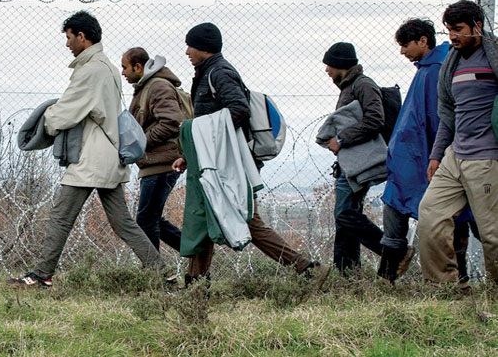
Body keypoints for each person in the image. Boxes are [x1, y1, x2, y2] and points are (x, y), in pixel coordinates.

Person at [11, 11, 166, 288]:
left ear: (82, 37)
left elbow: (67, 111)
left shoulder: (91, 69)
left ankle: (41, 275)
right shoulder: (103, 65)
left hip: (92, 157)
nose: (67, 44)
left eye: (69, 38)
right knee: (123, 224)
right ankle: (162, 273)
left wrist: (40, 126)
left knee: (60, 216)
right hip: (108, 155)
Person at [172, 22, 324, 285]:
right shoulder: (209, 72)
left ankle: (306, 269)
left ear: (203, 48)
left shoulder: (219, 73)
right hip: (216, 160)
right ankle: (195, 282)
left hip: (229, 162)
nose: (186, 51)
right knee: (207, 214)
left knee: (246, 219)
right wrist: (192, 154)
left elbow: (238, 109)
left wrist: (205, 135)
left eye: (190, 45)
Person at [418, 0, 498, 288]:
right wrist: (436, 155)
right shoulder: (452, 63)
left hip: (487, 157)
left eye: (458, 29)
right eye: (449, 30)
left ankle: (495, 293)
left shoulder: (493, 56)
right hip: (455, 154)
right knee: (429, 217)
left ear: (477, 26)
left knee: (492, 233)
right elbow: (448, 114)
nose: (452, 36)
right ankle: (445, 287)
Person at [378, 19, 449, 283]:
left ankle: (388, 274)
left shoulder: (436, 70)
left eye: (405, 45)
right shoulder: (427, 69)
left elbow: (436, 118)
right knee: (394, 206)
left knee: (398, 207)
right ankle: (387, 274)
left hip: (422, 157)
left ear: (422, 41)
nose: (402, 51)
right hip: (413, 157)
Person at [321, 41, 386, 274]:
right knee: (345, 220)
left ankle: (392, 252)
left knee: (346, 215)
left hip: (360, 164)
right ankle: (348, 274)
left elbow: (375, 119)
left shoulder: (363, 85)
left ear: (340, 64)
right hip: (349, 164)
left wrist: (341, 139)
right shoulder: (349, 87)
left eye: (329, 65)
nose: (326, 70)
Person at [121, 48, 184, 252]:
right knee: (150, 218)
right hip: (154, 162)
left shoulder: (157, 87)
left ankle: (154, 271)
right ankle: (194, 252)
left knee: (146, 219)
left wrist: (141, 142)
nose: (123, 72)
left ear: (138, 67)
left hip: (162, 163)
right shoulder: (147, 87)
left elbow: (171, 123)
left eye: (125, 67)